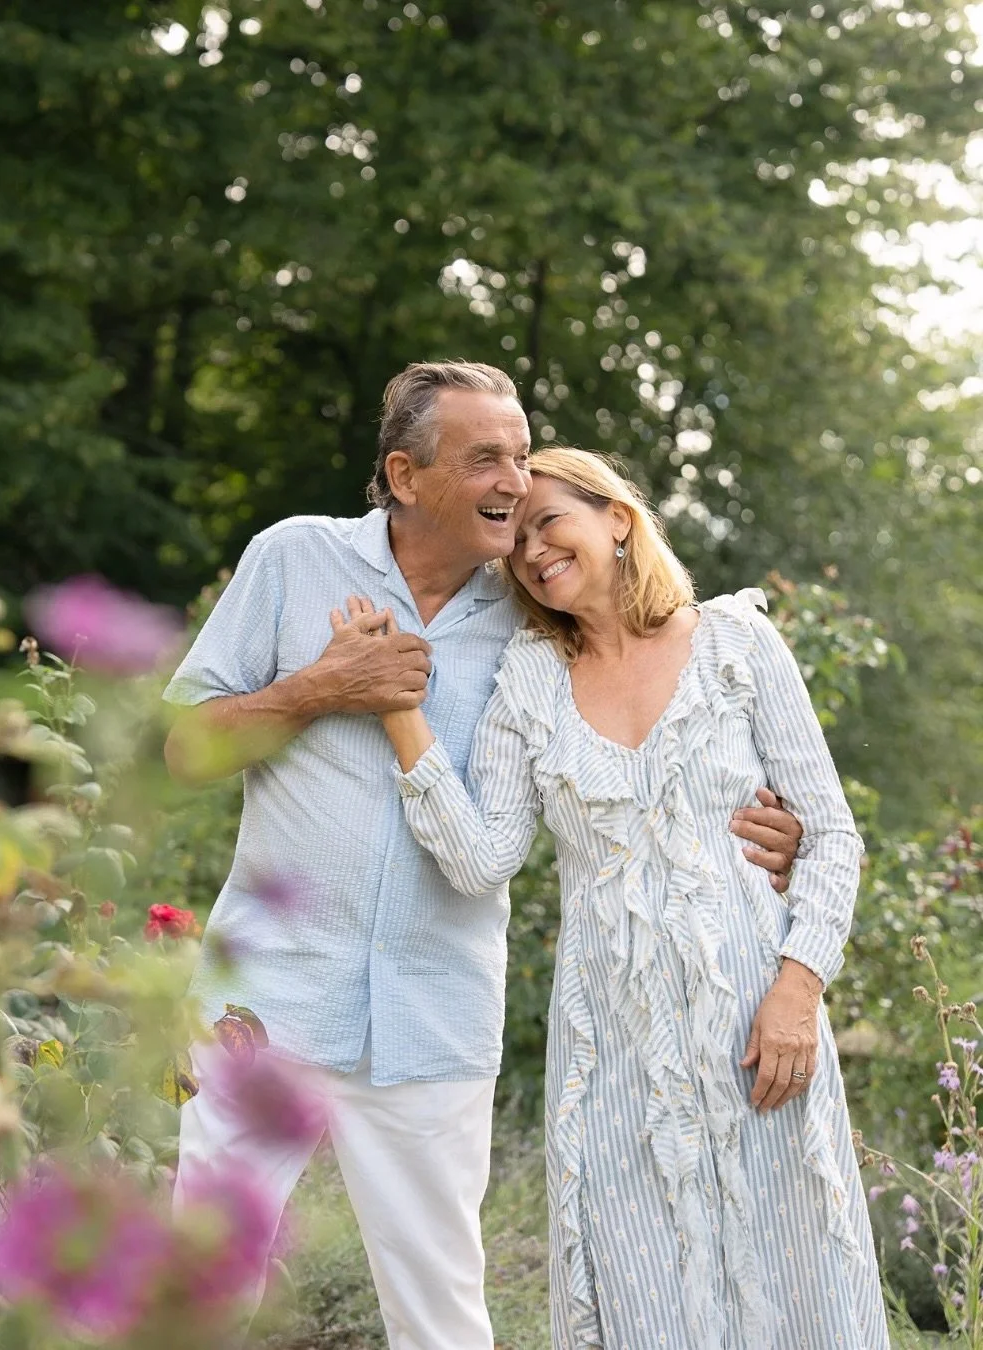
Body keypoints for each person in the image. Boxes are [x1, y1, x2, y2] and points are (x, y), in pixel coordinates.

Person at [162, 363, 804, 1350]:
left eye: (521, 451)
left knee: (442, 1322)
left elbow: (637, 742)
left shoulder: (536, 616)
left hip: (435, 1017)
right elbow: (184, 748)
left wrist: (772, 823)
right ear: (407, 475)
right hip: (267, 1001)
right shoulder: (292, 560)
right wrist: (318, 688)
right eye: (487, 458)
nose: (516, 478)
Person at [359, 446, 888, 1350]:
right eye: (515, 539)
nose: (530, 550)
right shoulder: (526, 676)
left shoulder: (736, 644)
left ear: (616, 517)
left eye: (548, 521)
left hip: (759, 1032)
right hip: (611, 1054)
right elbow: (483, 858)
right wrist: (398, 711)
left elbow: (832, 834)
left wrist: (798, 991)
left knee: (798, 1278)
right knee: (645, 1295)